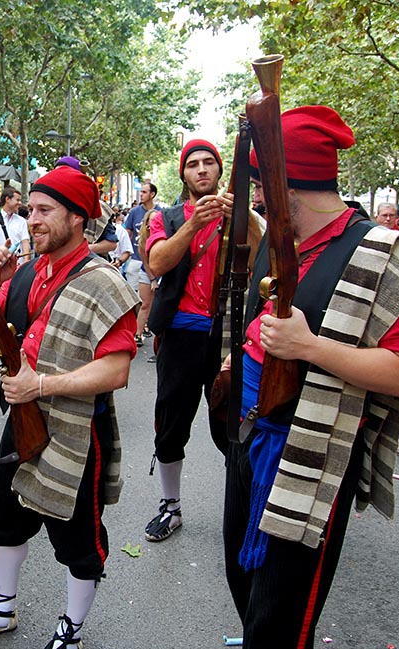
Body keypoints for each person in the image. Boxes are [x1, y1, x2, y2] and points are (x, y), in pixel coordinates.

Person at [223, 105, 399, 649]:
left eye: (262, 191)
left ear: (285, 188)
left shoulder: (385, 254)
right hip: (249, 441)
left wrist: (309, 347)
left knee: (281, 619)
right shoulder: (281, 244)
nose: (256, 203)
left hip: (313, 455)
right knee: (245, 587)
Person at [0, 165, 139, 649]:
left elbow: (116, 370)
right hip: (22, 421)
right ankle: (2, 609)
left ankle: (72, 629)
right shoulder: (27, 271)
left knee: (78, 541)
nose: (32, 219)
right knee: (4, 521)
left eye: (44, 211)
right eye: (30, 210)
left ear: (77, 218)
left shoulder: (106, 281)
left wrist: (42, 384)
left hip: (78, 430)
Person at [142, 139, 232, 542]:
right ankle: (171, 506)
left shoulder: (241, 215)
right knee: (171, 425)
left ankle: (242, 507)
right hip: (180, 336)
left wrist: (243, 212)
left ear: (219, 169)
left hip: (229, 339)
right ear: (183, 174)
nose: (201, 170)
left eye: (208, 163)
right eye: (193, 164)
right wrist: (195, 224)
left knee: (233, 426)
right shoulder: (167, 217)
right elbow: (157, 263)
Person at [123, 181, 159, 345]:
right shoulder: (134, 212)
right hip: (136, 261)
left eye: (144, 192)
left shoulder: (160, 213)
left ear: (152, 194)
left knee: (148, 301)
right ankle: (135, 328)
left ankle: (142, 327)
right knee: (133, 298)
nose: (141, 194)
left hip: (154, 264)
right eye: (141, 191)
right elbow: (127, 233)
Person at [0, 186, 31, 262]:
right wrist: (4, 254)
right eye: (17, 200)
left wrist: (26, 262)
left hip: (18, 266)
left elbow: (25, 243)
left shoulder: (22, 221)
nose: (20, 203)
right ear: (7, 199)